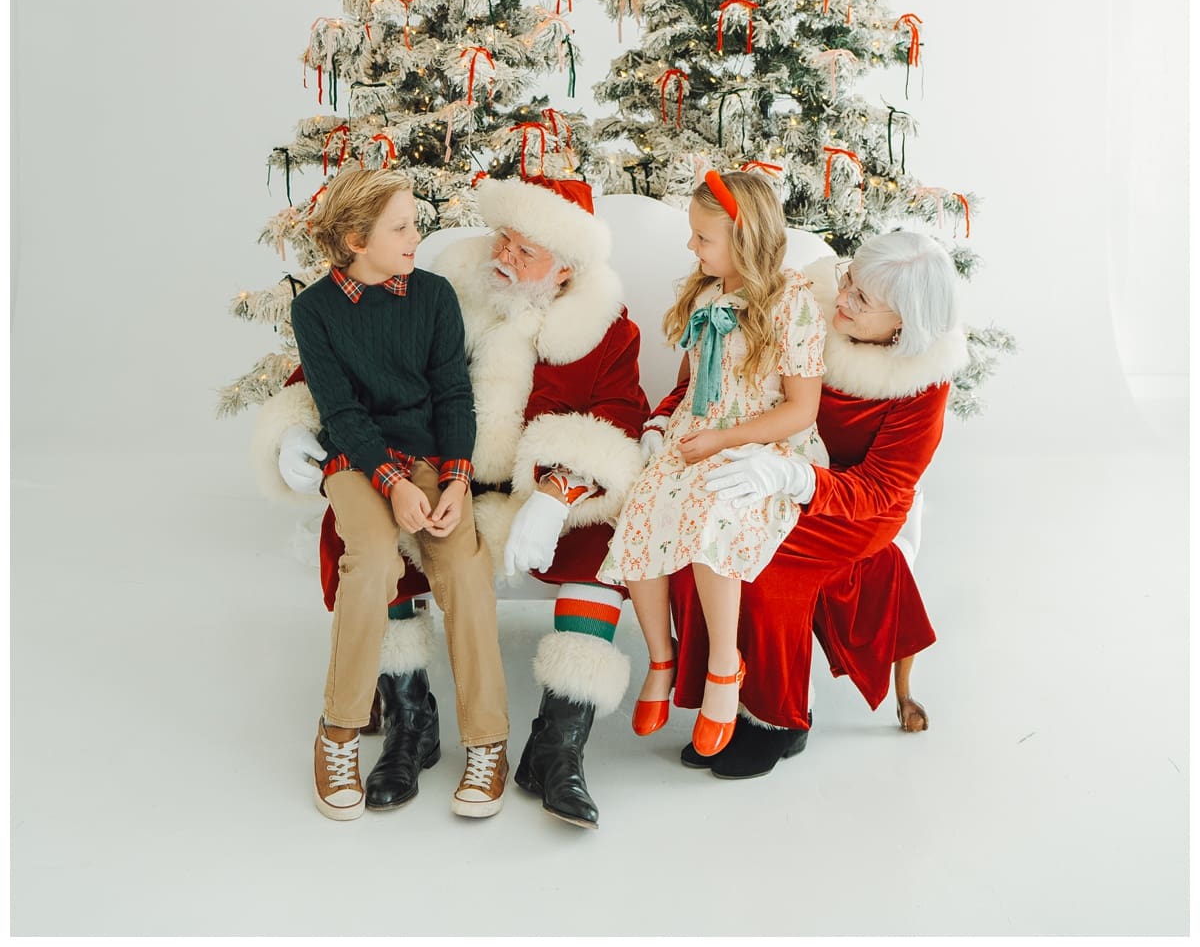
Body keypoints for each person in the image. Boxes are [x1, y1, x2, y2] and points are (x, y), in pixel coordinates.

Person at [255, 172, 647, 828]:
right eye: (503, 238)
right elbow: (336, 374)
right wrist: (293, 426)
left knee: (598, 553)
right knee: (384, 553)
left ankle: (557, 745)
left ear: (567, 265)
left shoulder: (606, 330)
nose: (504, 256)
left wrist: (557, 491)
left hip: (528, 491)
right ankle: (411, 722)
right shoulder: (452, 291)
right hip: (427, 468)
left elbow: (620, 421)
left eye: (525, 250)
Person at [665, 229, 968, 780]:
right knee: (695, 545)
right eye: (848, 279)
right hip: (768, 468)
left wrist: (792, 477)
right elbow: (717, 374)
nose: (843, 298)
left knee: (760, 566)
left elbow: (882, 490)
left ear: (904, 321)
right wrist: (662, 421)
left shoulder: (923, 383)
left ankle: (778, 719)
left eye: (863, 300)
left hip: (852, 508)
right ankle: (720, 691)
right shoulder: (804, 307)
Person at [288, 166, 508, 821]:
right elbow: (341, 412)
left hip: (432, 460)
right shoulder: (315, 311)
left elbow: (452, 396)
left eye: (416, 222)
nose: (419, 234)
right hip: (358, 464)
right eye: (403, 227)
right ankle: (340, 730)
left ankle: (487, 741)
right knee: (375, 564)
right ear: (356, 239)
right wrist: (389, 483)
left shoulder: (434, 297)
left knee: (464, 567)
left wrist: (457, 479)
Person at [599, 170, 826, 757]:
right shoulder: (706, 291)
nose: (691, 248)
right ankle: (661, 656)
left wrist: (728, 441)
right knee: (641, 510)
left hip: (763, 443)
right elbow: (693, 381)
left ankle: (725, 666)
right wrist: (662, 428)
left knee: (711, 514)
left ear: (745, 239)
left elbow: (800, 409)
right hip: (697, 433)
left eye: (703, 238)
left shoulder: (792, 301)